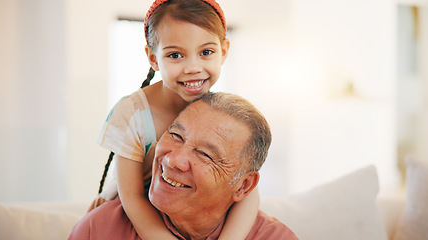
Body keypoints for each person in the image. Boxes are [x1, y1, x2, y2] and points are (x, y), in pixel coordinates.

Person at [89, 0, 260, 239]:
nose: (193, 67)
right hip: (141, 212)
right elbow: (132, 198)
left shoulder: (222, 113)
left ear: (223, 51)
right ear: (153, 58)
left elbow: (248, 190)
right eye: (175, 55)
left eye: (206, 52)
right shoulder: (133, 114)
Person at [69, 92, 299, 240]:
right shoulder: (98, 229)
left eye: (205, 154)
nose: (172, 160)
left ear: (243, 186)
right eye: (176, 135)